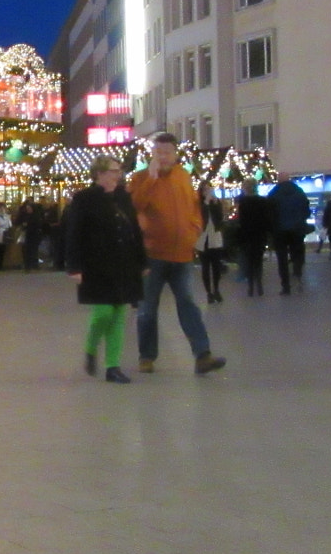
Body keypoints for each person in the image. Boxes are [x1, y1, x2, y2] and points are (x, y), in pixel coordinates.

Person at [127, 134, 224, 375]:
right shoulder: (140, 178)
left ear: (175, 154)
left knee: (189, 304)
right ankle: (147, 356)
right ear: (152, 154)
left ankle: (203, 354)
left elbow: (193, 207)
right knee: (147, 308)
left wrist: (194, 230)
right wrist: (151, 178)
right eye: (158, 152)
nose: (163, 156)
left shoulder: (183, 176)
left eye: (167, 152)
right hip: (153, 255)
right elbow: (135, 206)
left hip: (182, 255)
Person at [64, 155, 146, 383]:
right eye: (113, 171)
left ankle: (113, 366)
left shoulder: (123, 198)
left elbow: (134, 230)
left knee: (120, 314)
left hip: (124, 262)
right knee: (103, 313)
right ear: (99, 173)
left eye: (119, 171)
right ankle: (91, 347)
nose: (117, 175)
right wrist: (74, 266)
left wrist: (142, 261)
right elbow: (74, 234)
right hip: (96, 264)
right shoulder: (84, 199)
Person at [267, 175, 311, 295]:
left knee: (282, 258)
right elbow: (306, 211)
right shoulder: (299, 192)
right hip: (297, 230)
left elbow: (269, 213)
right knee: (297, 252)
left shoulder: (273, 193)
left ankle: (285, 285)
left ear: (279, 180)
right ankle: (297, 272)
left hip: (279, 231)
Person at [233, 187, 271, 296]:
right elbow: (266, 219)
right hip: (260, 235)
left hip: (247, 235)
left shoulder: (243, 203)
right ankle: (259, 283)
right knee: (258, 260)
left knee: (249, 260)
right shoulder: (263, 201)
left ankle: (250, 286)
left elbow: (241, 220)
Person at [196, 195, 227, 305]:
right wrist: (206, 203)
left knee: (216, 265)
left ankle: (217, 289)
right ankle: (209, 292)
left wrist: (214, 204)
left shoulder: (216, 202)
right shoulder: (198, 203)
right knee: (205, 266)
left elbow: (219, 217)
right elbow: (200, 217)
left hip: (215, 236)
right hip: (203, 237)